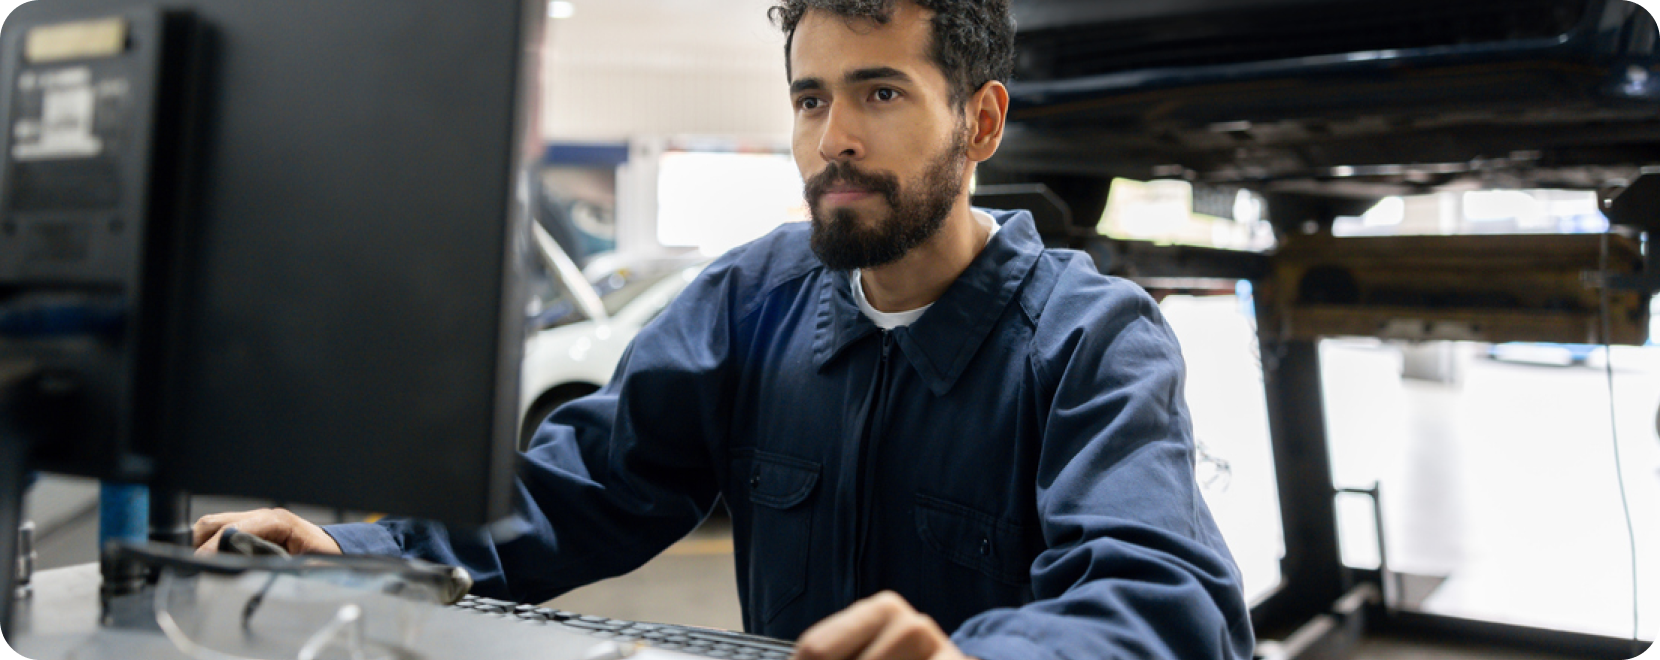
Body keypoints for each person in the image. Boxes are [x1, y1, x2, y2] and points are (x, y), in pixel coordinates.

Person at [191, 1, 1255, 658]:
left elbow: (1164, 599)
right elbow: (578, 488)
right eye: (808, 100)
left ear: (979, 120)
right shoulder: (752, 300)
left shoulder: (1091, 340)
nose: (831, 140)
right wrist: (356, 548)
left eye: (878, 92)